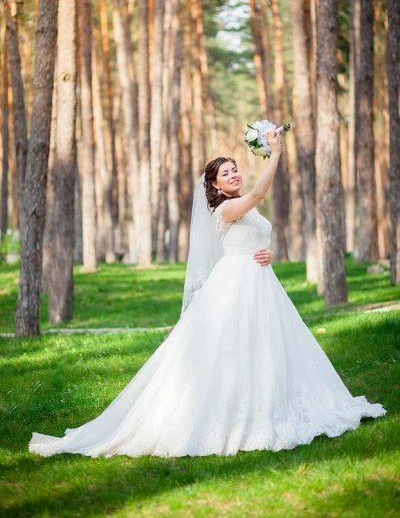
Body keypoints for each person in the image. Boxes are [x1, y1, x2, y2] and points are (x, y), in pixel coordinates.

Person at [28, 129, 386, 459]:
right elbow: (259, 193)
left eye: (235, 170)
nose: (234, 175)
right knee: (228, 350)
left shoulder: (244, 206)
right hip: (234, 285)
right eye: (226, 173)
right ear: (214, 185)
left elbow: (254, 235)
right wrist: (276, 152)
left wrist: (268, 252)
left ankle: (271, 403)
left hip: (260, 281)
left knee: (265, 344)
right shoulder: (226, 208)